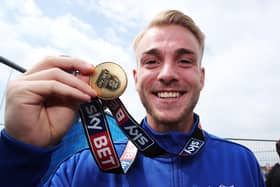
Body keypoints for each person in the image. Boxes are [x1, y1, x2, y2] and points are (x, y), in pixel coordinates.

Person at [0, 10, 265, 186]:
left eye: (184, 60)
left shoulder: (241, 162)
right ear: (135, 78)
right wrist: (20, 153)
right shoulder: (83, 169)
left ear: (201, 76)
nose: (167, 74)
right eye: (152, 61)